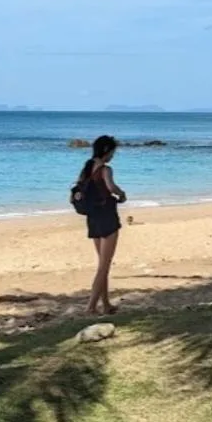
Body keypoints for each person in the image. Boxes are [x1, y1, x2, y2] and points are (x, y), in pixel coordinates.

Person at [77, 135, 126, 315]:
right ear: (106, 151)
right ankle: (91, 306)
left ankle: (105, 305)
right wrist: (122, 194)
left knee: (102, 263)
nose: (113, 156)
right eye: (113, 152)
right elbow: (111, 188)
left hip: (92, 217)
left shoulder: (87, 168)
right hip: (107, 216)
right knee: (104, 265)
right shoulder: (105, 169)